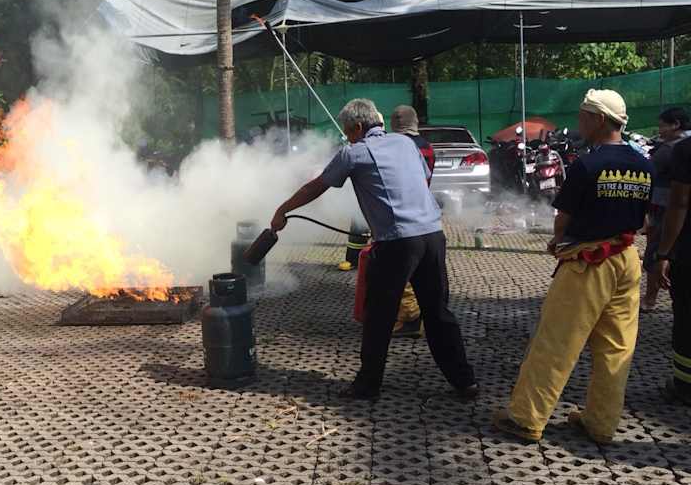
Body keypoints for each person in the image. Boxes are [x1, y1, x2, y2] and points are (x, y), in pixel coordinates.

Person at [271, 98, 477, 400]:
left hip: (397, 243)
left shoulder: (354, 152)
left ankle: (368, 385)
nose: (347, 138)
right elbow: (421, 179)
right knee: (437, 312)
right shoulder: (405, 143)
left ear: (358, 127)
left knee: (379, 314)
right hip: (433, 235)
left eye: (347, 132)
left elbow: (316, 186)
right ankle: (465, 381)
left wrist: (283, 210)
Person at [493, 89, 652, 444]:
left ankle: (526, 418)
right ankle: (601, 424)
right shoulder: (644, 164)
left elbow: (562, 219)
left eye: (583, 116)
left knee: (557, 342)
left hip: (588, 263)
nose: (579, 122)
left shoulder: (587, 165)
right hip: (627, 261)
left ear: (599, 119)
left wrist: (558, 242)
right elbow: (643, 221)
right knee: (616, 348)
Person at [650, 134, 691, 405]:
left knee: (687, 318)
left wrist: (663, 253)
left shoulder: (686, 150)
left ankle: (685, 386)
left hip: (688, 252)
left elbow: (679, 203)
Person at [390, 104, 435, 338]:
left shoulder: (397, 147)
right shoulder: (426, 146)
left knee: (399, 269)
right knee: (421, 271)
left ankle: (410, 316)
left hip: (402, 216)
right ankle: (420, 315)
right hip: (426, 213)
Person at [642, 107, 691, 310]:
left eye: (662, 126)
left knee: (656, 253)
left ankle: (650, 299)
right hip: (669, 209)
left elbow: (648, 173)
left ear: (676, 124)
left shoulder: (675, 149)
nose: (660, 131)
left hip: (667, 210)